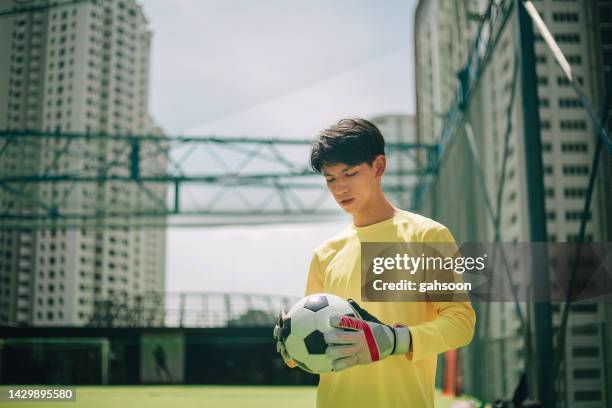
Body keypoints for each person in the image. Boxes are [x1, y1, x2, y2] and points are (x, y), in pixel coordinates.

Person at [273, 118, 476, 407]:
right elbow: (314, 343)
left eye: (349, 173)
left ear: (378, 167)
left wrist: (394, 340)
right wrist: (291, 347)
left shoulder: (426, 235)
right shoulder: (325, 254)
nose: (339, 188)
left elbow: (461, 323)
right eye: (330, 178)